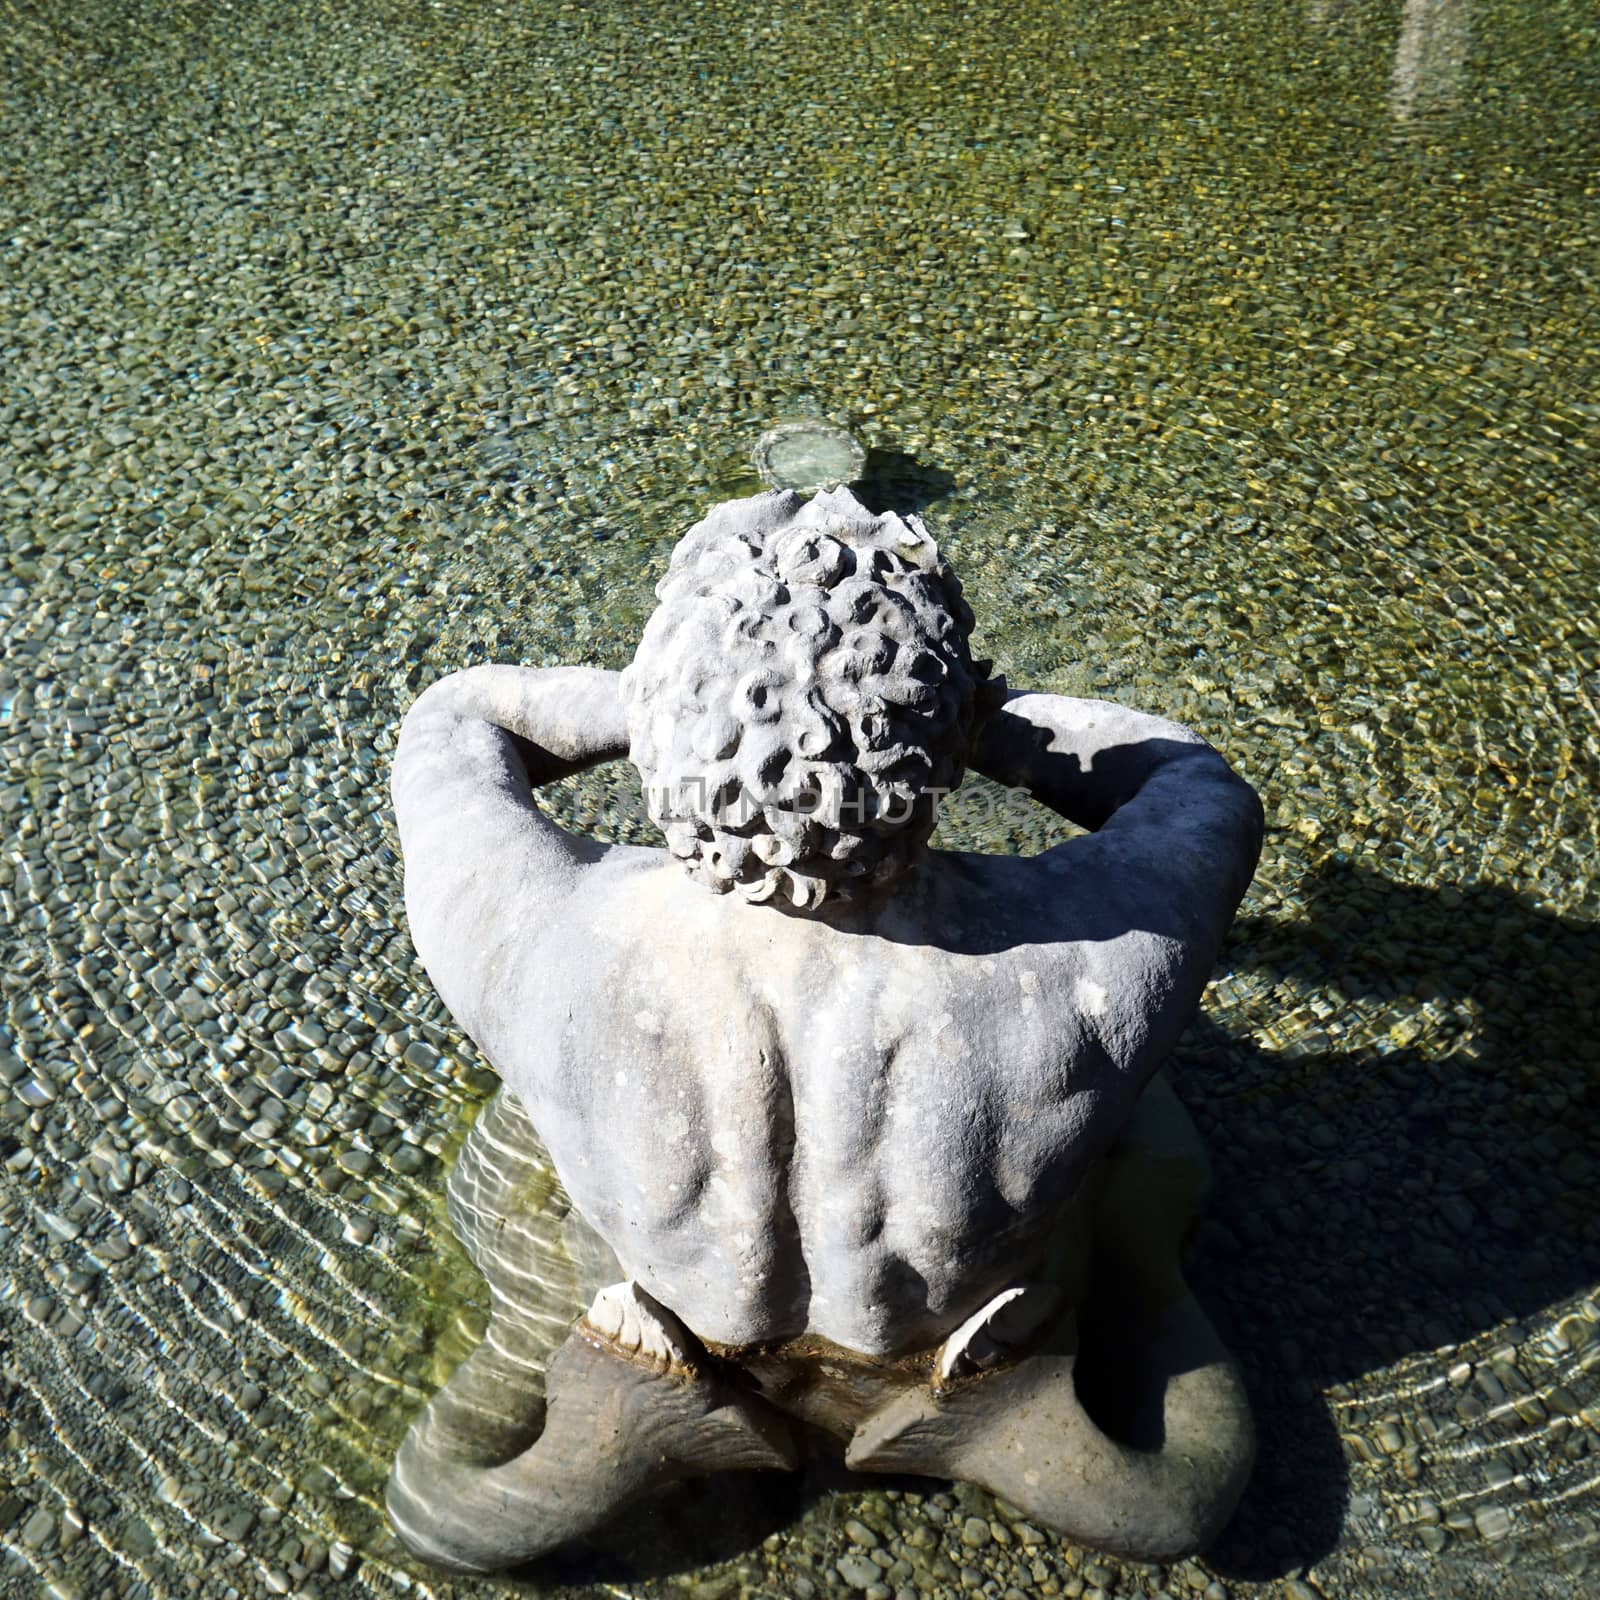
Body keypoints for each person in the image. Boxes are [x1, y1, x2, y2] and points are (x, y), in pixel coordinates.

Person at [386, 487, 1262, 1572]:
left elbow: (455, 716)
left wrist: (661, 695)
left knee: (438, 1505)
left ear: (666, 716)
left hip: (670, 1328)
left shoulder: (540, 939)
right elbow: (1193, 781)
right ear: (934, 743)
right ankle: (994, 1409)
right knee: (1183, 1495)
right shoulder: (1086, 959)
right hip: (952, 1347)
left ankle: (629, 1396)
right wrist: (980, 718)